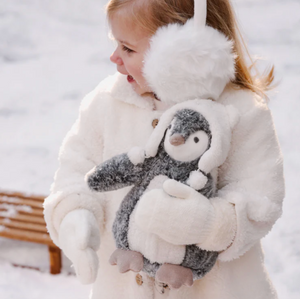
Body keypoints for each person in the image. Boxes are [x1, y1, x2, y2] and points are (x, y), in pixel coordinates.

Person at [43, 0, 285, 298]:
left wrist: (208, 224)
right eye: (115, 44)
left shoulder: (240, 112)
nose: (114, 58)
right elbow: (76, 168)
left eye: (128, 49)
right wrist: (74, 213)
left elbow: (260, 201)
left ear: (184, 51)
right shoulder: (107, 103)